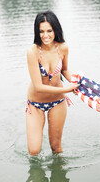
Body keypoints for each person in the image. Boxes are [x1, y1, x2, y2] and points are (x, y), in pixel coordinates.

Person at [26, 11, 79, 156]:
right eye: (41, 31)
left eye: (49, 30)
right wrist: (67, 90)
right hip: (35, 104)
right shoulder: (33, 52)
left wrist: (76, 82)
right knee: (34, 151)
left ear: (55, 29)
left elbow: (65, 70)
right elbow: (38, 86)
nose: (45, 35)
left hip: (57, 102)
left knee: (56, 147)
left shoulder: (62, 47)